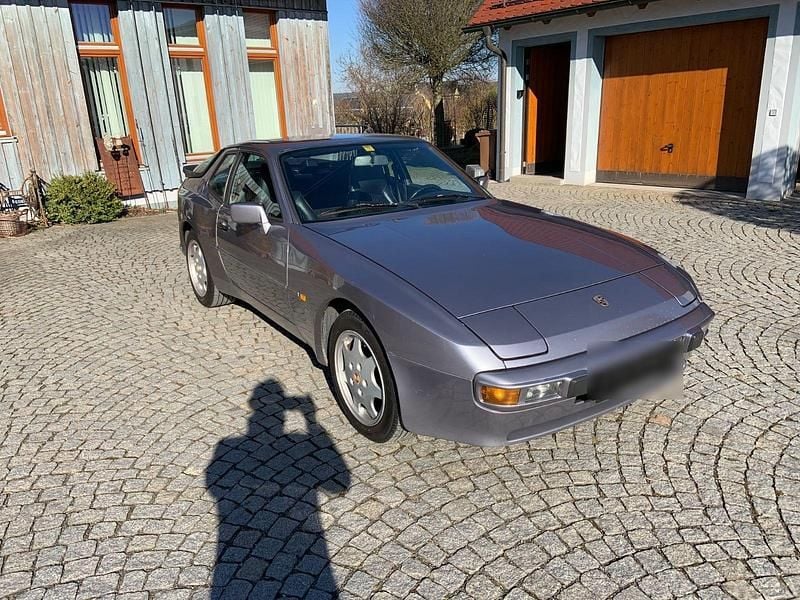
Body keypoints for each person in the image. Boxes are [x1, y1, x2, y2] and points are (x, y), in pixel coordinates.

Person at [207, 379, 351, 599]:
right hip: (306, 547)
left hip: (236, 547)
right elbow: (339, 483)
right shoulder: (298, 440)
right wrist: (310, 420)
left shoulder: (227, 445)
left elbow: (214, 485)